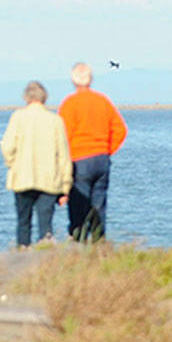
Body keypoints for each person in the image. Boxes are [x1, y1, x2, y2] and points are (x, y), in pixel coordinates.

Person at [59, 62, 127, 240]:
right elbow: (121, 130)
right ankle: (99, 241)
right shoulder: (103, 101)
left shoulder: (69, 104)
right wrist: (107, 150)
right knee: (99, 203)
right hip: (101, 159)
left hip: (79, 159)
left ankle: (79, 240)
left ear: (73, 81)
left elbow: (62, 136)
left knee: (78, 204)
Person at [0, 81, 73, 246]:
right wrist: (65, 186)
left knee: (23, 223)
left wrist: (13, 164)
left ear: (26, 97)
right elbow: (63, 155)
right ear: (44, 98)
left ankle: (21, 255)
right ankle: (44, 261)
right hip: (49, 180)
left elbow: (7, 146)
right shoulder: (55, 120)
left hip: (22, 178)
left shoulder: (18, 117)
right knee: (45, 226)